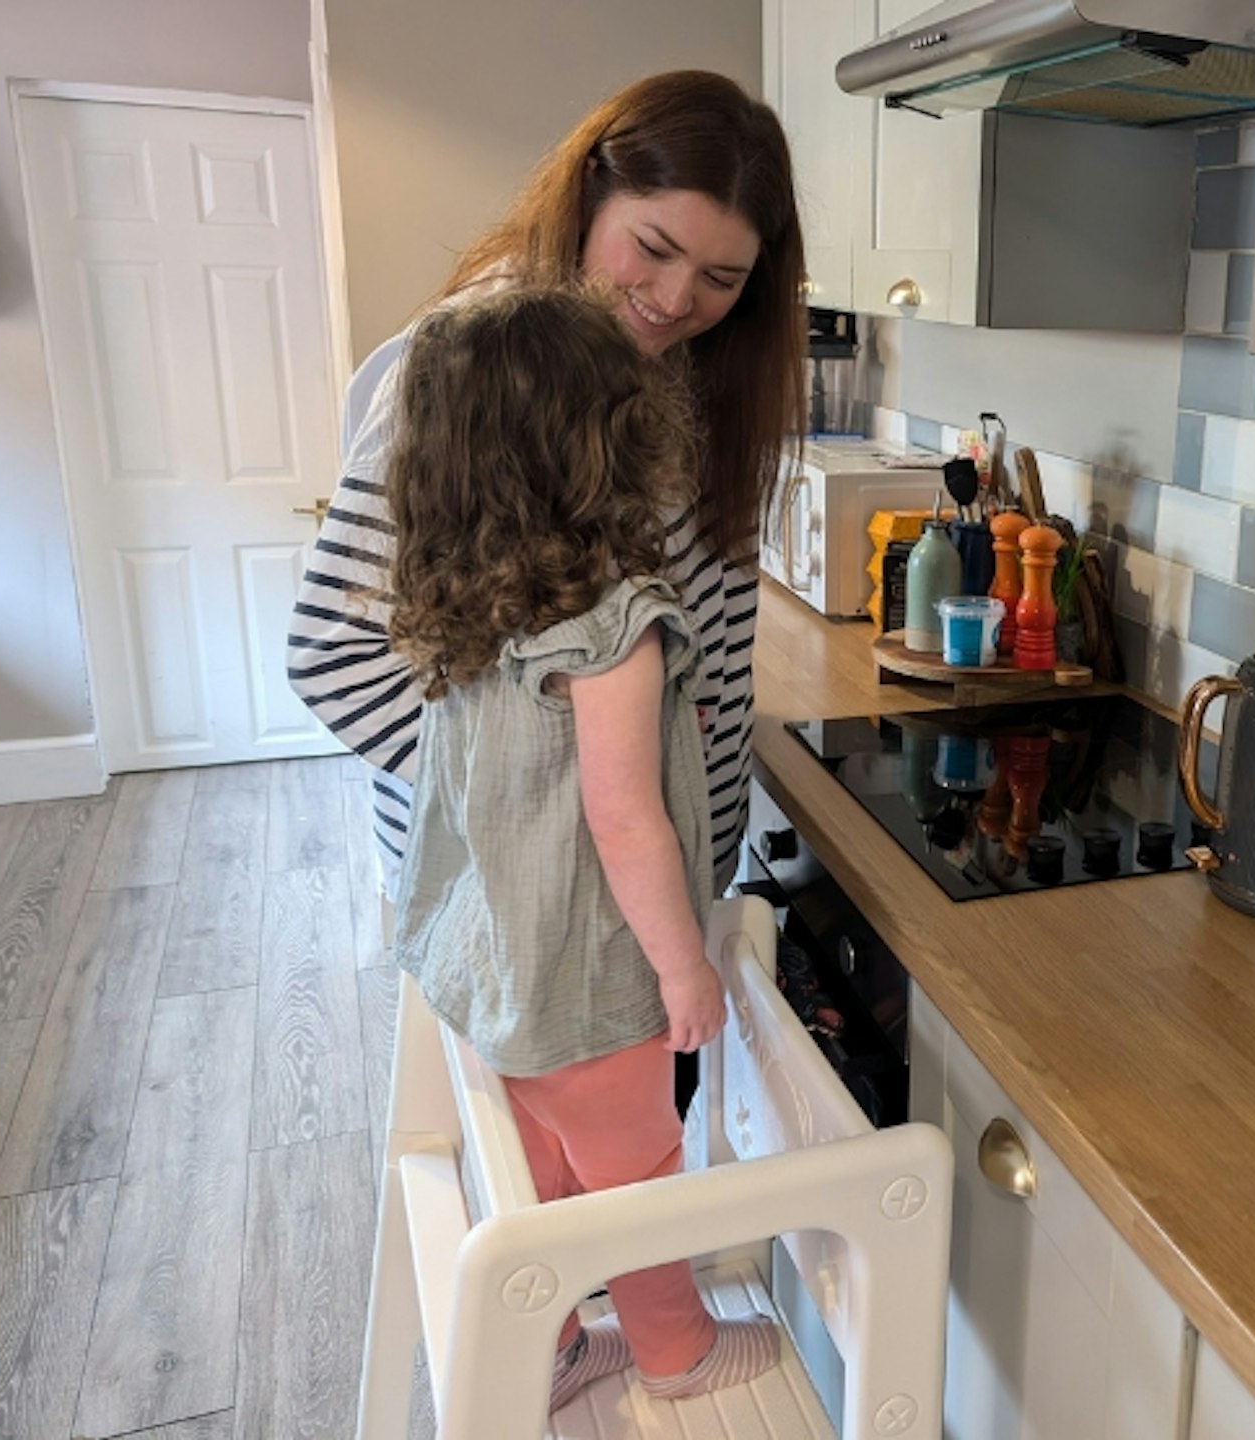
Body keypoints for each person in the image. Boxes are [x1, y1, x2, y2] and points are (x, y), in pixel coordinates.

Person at [387, 282, 780, 1411]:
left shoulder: (470, 596)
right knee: (640, 1177)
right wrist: (680, 968)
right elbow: (625, 817)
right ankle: (676, 1354)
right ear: (616, 446)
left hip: (497, 964)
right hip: (591, 973)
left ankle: (554, 1345)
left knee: (551, 1167)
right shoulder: (612, 623)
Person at [285, 70, 805, 921]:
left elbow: (715, 637)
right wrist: (565, 807)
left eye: (721, 276)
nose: (676, 301)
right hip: (517, 886)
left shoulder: (701, 368)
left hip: (652, 876)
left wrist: (692, 846)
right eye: (655, 247)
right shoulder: (479, 366)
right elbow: (336, 655)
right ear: (591, 195)